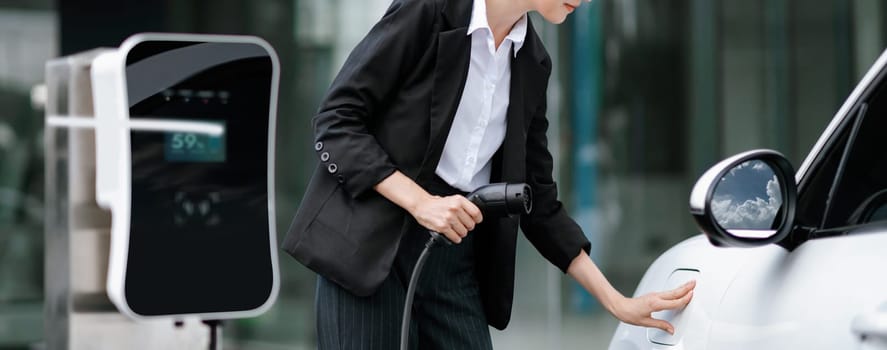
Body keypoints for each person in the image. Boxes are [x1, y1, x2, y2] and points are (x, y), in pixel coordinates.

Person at [282, 0, 695, 348]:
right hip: (371, 250)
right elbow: (337, 120)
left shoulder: (533, 63)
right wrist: (421, 203)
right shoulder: (430, 10)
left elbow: (540, 204)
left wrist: (617, 302)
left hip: (454, 263)